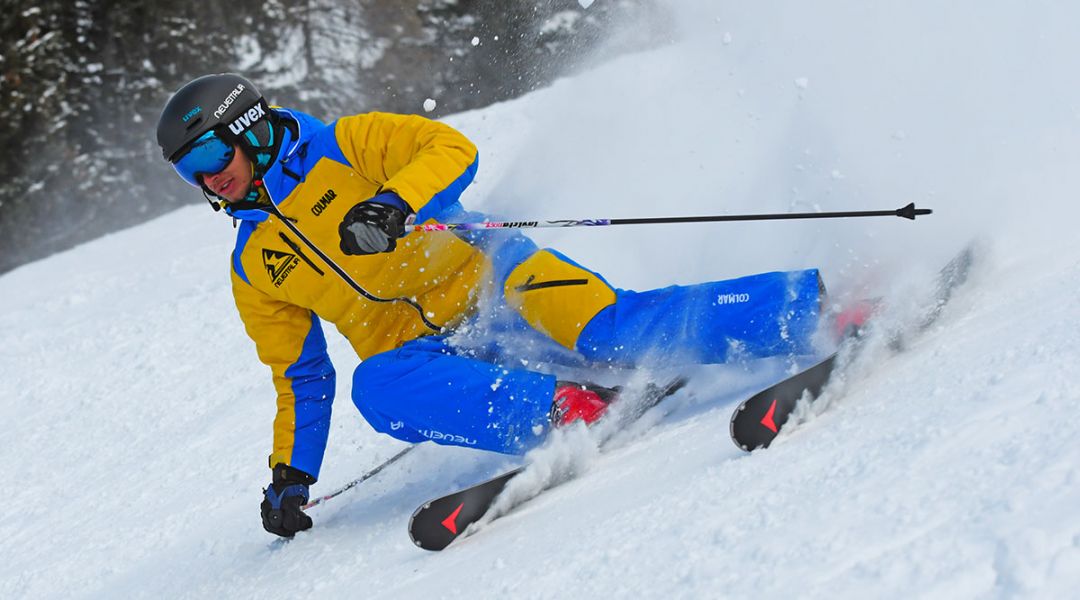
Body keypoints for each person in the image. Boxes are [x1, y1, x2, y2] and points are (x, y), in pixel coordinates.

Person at [156, 73, 826, 538]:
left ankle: (814, 305)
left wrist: (393, 202)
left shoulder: (346, 143)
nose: (211, 175)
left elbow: (449, 148)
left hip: (495, 278)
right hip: (429, 354)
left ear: (250, 128)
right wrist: (292, 476)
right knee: (377, 385)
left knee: (612, 330)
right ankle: (571, 410)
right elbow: (300, 375)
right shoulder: (254, 264)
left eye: (214, 152)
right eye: (193, 170)